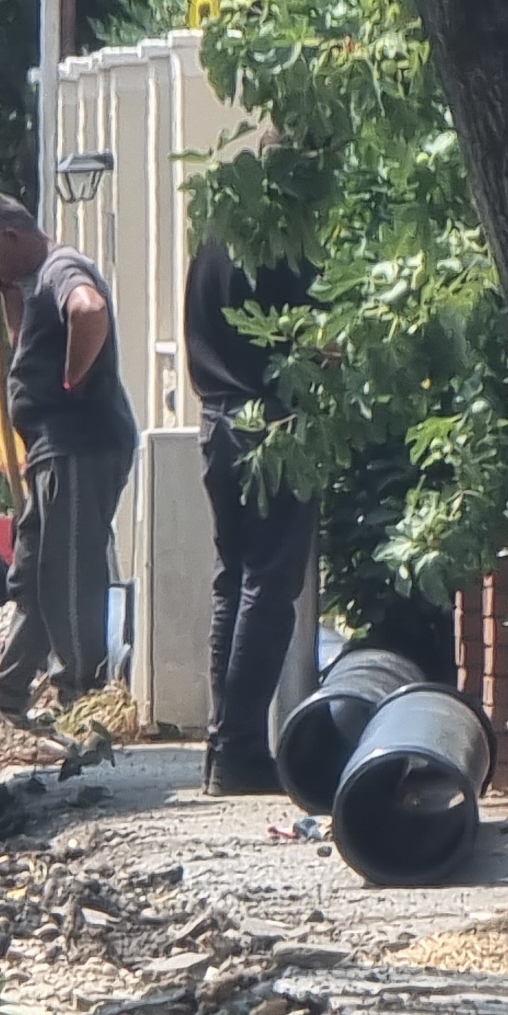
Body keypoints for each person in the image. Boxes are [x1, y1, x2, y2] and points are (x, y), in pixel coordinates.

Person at [0, 194, 135, 726]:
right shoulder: (33, 283)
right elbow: (33, 334)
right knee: (37, 572)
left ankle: (83, 697)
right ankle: (9, 686)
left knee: (69, 573)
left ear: (13, 237)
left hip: (78, 449)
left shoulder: (61, 268)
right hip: (54, 451)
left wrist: (71, 378)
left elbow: (89, 309)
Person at [185, 232, 316, 795]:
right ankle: (238, 751)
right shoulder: (287, 243)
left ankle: (221, 747)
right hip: (272, 425)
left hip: (217, 421)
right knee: (268, 582)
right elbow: (317, 340)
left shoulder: (216, 237)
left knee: (233, 581)